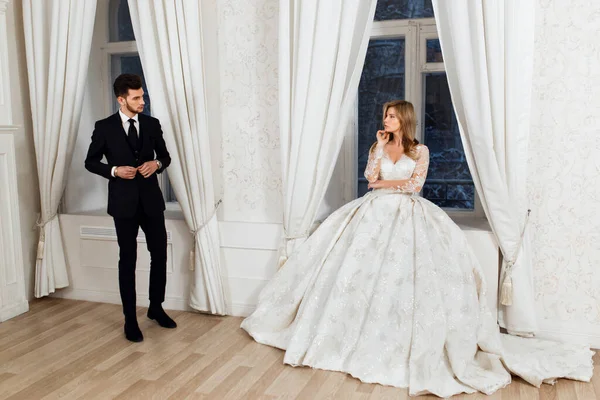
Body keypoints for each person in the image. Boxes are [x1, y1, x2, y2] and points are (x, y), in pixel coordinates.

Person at [241, 100, 594, 397]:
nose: (386, 120)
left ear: (404, 118)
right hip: (372, 213)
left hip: (407, 215)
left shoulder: (419, 150)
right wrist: (379, 150)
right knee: (357, 276)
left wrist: (386, 183)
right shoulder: (378, 146)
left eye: (391, 116)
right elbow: (369, 179)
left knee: (406, 280)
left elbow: (415, 185)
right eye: (384, 116)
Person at [85, 74, 177, 342]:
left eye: (143, 96)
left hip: (151, 201)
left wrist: (156, 164)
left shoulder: (151, 124)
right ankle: (129, 320)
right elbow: (90, 162)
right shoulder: (104, 127)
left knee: (159, 254)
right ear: (121, 99)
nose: (142, 102)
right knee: (128, 260)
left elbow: (166, 156)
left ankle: (155, 308)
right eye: (137, 98)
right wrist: (114, 170)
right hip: (123, 204)